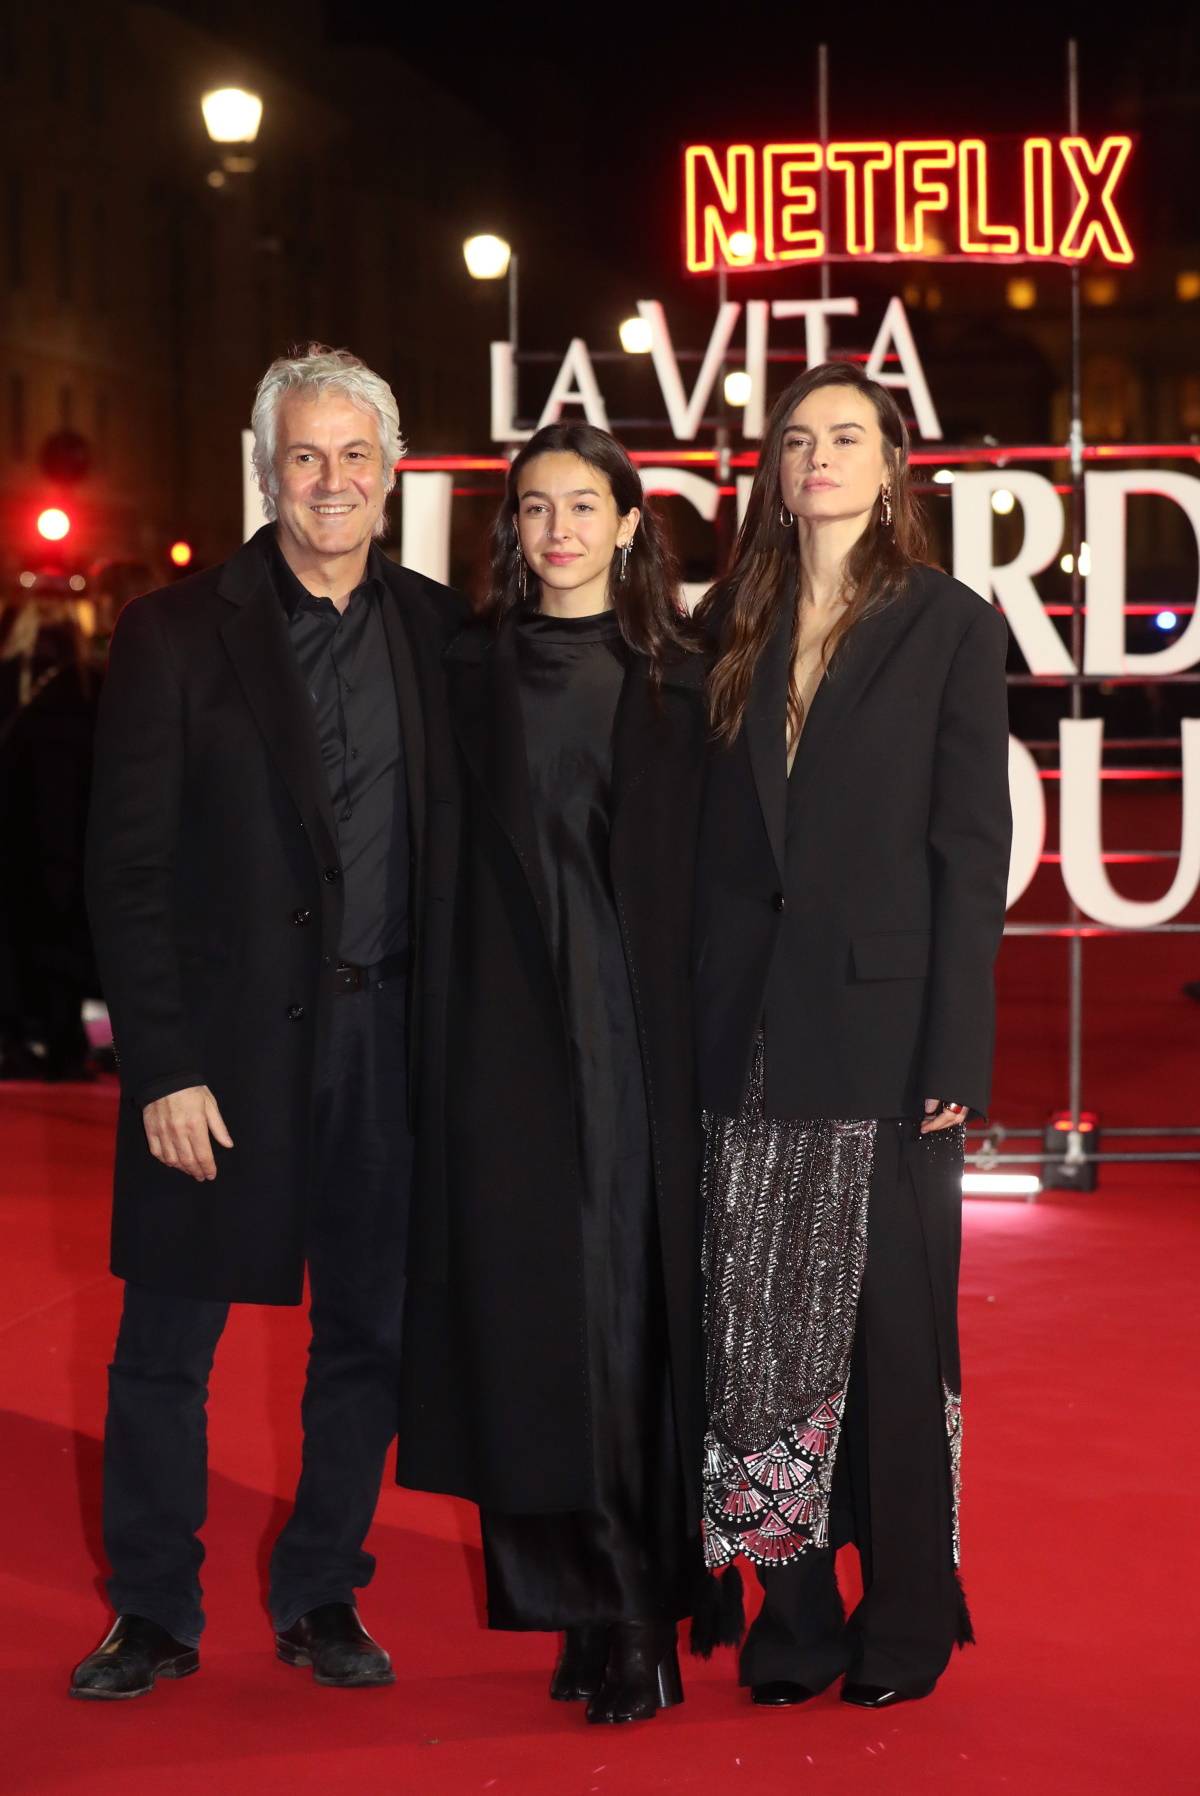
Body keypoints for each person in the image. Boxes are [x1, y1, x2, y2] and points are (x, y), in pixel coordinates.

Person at [71, 345, 463, 1700]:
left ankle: (321, 1594)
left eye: (357, 455)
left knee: (366, 1340)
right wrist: (160, 1067)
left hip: (388, 1053)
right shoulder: (177, 633)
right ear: (267, 470)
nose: (333, 480)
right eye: (307, 455)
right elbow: (125, 872)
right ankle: (152, 1611)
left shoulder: (438, 631)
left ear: (393, 472)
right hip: (221, 1067)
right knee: (167, 1347)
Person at [692, 362, 1011, 1711]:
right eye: (796, 437)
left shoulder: (948, 625)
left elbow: (968, 848)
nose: (818, 454)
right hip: (741, 1031)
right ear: (772, 468)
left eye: (848, 436)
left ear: (893, 468)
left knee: (889, 1332)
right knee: (756, 1330)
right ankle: (795, 1605)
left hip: (885, 1040)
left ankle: (910, 1617)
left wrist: (955, 1053)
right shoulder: (727, 623)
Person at [396, 422, 707, 1725]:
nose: (561, 529)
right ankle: (579, 1604)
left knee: (626, 1320)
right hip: (504, 1041)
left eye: (586, 506)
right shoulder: (463, 672)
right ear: (512, 531)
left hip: (640, 1042)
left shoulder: (677, 678)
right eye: (536, 508)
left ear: (631, 523)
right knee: (530, 1326)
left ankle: (639, 1608)